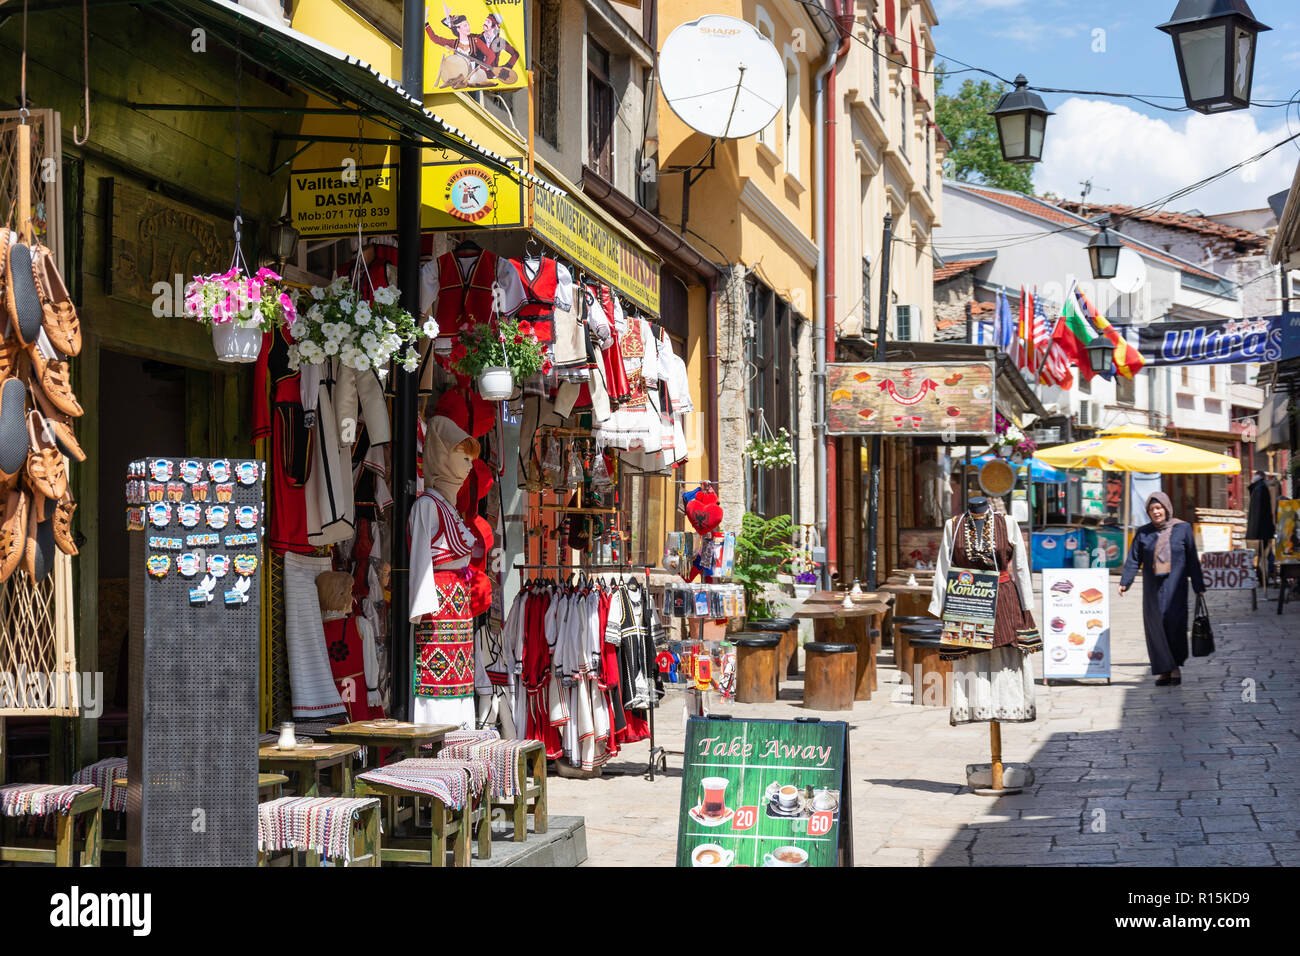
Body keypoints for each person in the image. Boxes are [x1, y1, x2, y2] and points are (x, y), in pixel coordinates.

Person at [1118, 491, 1204, 686]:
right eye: (1151, 509)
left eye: (1159, 508)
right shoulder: (1143, 532)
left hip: (1176, 587)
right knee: (1155, 628)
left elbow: (1192, 558)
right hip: (1152, 590)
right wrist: (1125, 581)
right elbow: (1133, 559)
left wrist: (1198, 585)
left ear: (1166, 508)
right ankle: (1163, 670)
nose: (1156, 512)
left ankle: (1174, 668)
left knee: (1174, 626)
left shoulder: (1183, 529)